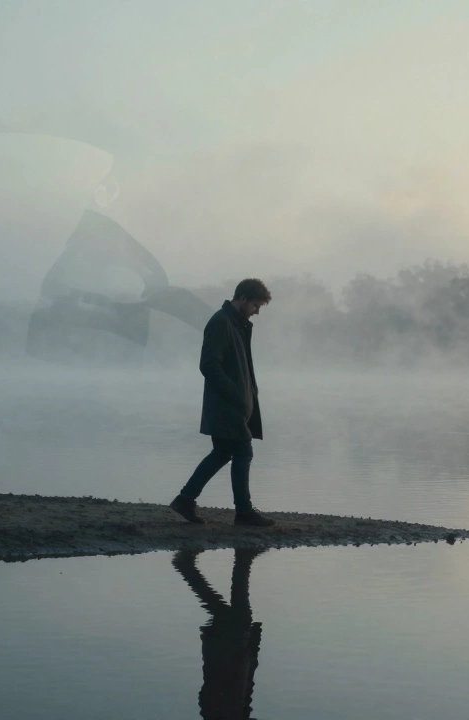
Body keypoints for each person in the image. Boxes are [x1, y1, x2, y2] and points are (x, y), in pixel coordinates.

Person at [170, 279, 276, 527]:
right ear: (241, 298)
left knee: (222, 453)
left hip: (231, 405)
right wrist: (237, 395)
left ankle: (185, 499)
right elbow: (208, 365)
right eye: (255, 305)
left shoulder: (236, 324)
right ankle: (243, 512)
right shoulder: (221, 323)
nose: (257, 311)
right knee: (242, 451)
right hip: (226, 406)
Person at [172, 548, 265, 719]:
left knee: (239, 615)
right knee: (225, 613)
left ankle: (243, 559)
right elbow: (246, 685)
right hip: (227, 651)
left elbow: (241, 681)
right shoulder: (225, 711)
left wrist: (249, 645)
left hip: (230, 650)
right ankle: (187, 567)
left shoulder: (225, 712)